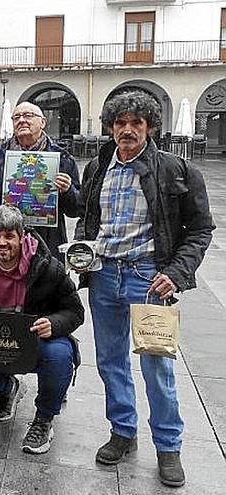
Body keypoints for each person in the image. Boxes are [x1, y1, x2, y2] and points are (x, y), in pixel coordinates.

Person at [76, 91, 214, 487]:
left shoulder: (176, 170)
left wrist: (177, 272)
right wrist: (83, 249)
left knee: (157, 366)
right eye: (120, 123)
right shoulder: (99, 167)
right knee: (110, 362)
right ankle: (123, 430)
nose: (127, 130)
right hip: (103, 276)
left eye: (136, 123)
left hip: (148, 279)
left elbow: (200, 229)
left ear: (150, 127)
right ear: (111, 127)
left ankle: (168, 447)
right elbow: (89, 216)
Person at [0, 205, 83, 455]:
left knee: (60, 355)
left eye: (9, 236)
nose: (2, 243)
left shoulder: (47, 266)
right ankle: (7, 387)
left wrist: (53, 323)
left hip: (35, 345)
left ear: (22, 236)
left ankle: (44, 419)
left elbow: (75, 312)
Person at [0, 101, 81, 258]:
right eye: (16, 117)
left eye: (28, 116)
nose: (21, 120)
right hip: (6, 241)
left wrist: (68, 191)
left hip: (48, 242)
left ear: (42, 122)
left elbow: (76, 209)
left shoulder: (63, 159)